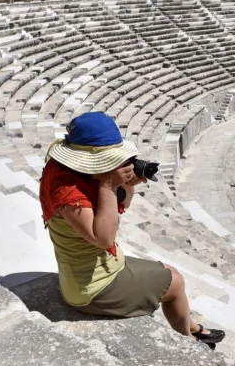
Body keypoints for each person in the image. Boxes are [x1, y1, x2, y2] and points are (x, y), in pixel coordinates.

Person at [39, 112, 224, 346]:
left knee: (166, 270)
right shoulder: (67, 189)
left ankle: (191, 326)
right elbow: (103, 238)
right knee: (175, 282)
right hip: (92, 288)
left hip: (100, 269)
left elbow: (117, 208)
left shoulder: (69, 172)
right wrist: (108, 184)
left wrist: (125, 185)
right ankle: (189, 343)